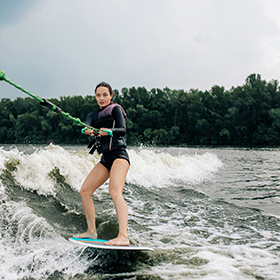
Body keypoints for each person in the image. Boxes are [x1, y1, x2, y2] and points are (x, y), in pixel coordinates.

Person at [74, 82, 130, 246]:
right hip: (106, 158)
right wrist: (88, 130)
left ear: (111, 96)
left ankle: (123, 237)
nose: (101, 98)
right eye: (98, 95)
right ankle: (91, 232)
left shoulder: (115, 109)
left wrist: (109, 131)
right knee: (85, 191)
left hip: (119, 155)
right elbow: (84, 127)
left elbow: (122, 129)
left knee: (114, 191)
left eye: (105, 94)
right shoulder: (93, 114)